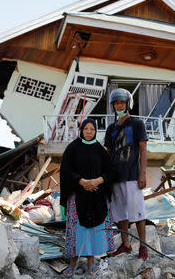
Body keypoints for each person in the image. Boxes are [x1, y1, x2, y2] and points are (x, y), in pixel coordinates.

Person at [60, 118, 115, 277]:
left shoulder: (100, 150)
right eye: (86, 129)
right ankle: (73, 262)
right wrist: (82, 181)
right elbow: (66, 169)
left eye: (92, 129)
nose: (89, 132)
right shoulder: (73, 148)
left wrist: (98, 181)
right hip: (77, 195)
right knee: (77, 228)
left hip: (96, 196)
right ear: (81, 130)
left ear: (96, 131)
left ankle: (91, 262)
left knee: (92, 229)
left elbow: (110, 171)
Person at [104, 88, 149, 260]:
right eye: (116, 103)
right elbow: (108, 153)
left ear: (128, 104)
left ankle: (143, 247)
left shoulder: (137, 124)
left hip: (132, 175)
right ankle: (126, 244)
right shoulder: (111, 129)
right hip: (115, 177)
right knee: (120, 213)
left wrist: (143, 173)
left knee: (138, 213)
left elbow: (144, 150)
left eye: (122, 102)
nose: (119, 105)